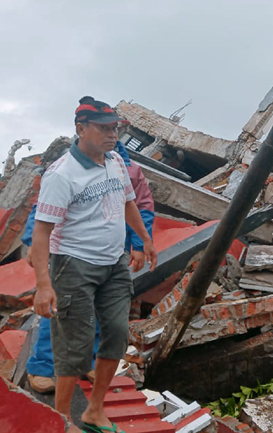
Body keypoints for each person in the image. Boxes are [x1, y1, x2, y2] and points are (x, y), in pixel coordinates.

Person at [30, 96, 157, 432]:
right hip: (73, 265)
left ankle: (94, 411)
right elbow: (41, 233)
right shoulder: (62, 175)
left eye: (115, 127)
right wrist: (44, 285)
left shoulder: (115, 161)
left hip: (113, 263)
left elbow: (130, 202)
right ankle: (61, 420)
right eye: (103, 128)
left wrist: (143, 239)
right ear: (81, 128)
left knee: (115, 334)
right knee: (74, 345)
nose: (112, 134)